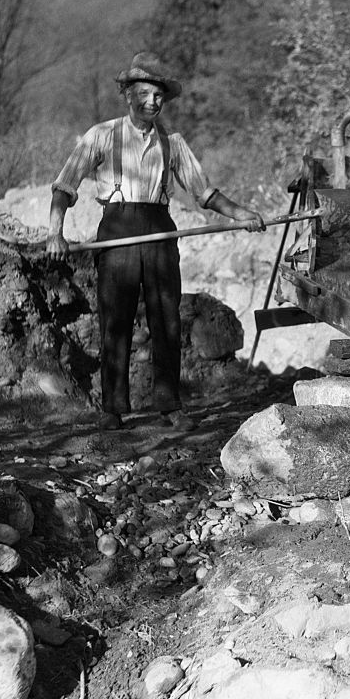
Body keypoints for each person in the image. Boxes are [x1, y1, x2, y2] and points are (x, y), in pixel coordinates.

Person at [46, 52, 265, 432]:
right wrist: (55, 233)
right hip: (117, 232)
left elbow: (205, 193)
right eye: (144, 93)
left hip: (160, 232)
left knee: (166, 320)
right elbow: (64, 187)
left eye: (159, 95)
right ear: (128, 95)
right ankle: (113, 408)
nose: (153, 101)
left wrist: (242, 214)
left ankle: (169, 404)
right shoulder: (101, 136)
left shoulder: (173, 143)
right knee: (116, 321)